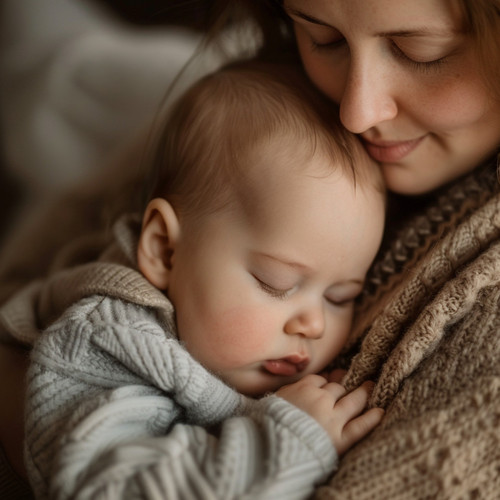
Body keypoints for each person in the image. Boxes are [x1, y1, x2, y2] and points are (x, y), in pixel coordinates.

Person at [1, 0, 499, 497]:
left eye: (420, 51)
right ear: (163, 250)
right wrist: (280, 440)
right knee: (67, 87)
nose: (356, 112)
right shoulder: (119, 344)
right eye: (322, 38)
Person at [22, 61, 385, 499]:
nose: (314, 325)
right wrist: (283, 443)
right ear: (165, 250)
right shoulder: (109, 342)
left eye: (340, 296)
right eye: (276, 282)